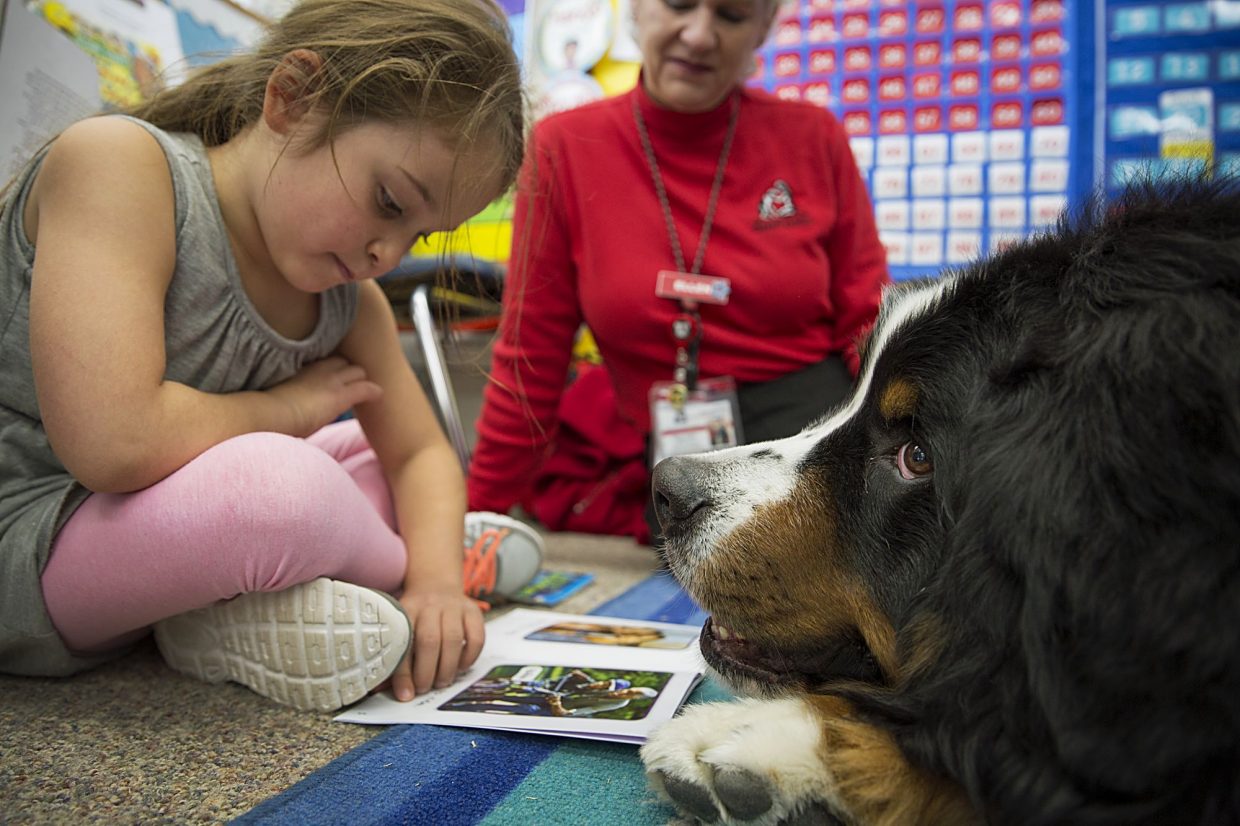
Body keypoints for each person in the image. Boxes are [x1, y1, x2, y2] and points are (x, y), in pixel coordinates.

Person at [0, 0, 543, 713]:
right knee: (285, 488)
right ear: (295, 98)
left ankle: (369, 572)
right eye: (389, 201)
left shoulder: (352, 300)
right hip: (29, 535)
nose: (387, 255)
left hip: (165, 529)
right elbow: (115, 445)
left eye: (418, 236)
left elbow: (421, 454)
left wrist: (437, 588)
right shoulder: (117, 165)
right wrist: (286, 410)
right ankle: (392, 559)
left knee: (357, 451)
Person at [467, 0, 889, 541]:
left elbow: (870, 326)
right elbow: (529, 358)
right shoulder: (562, 148)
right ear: (637, 11)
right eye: (679, 5)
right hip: (675, 463)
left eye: (731, 16)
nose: (698, 34)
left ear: (762, 31)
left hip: (816, 451)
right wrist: (476, 520)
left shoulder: (814, 137)